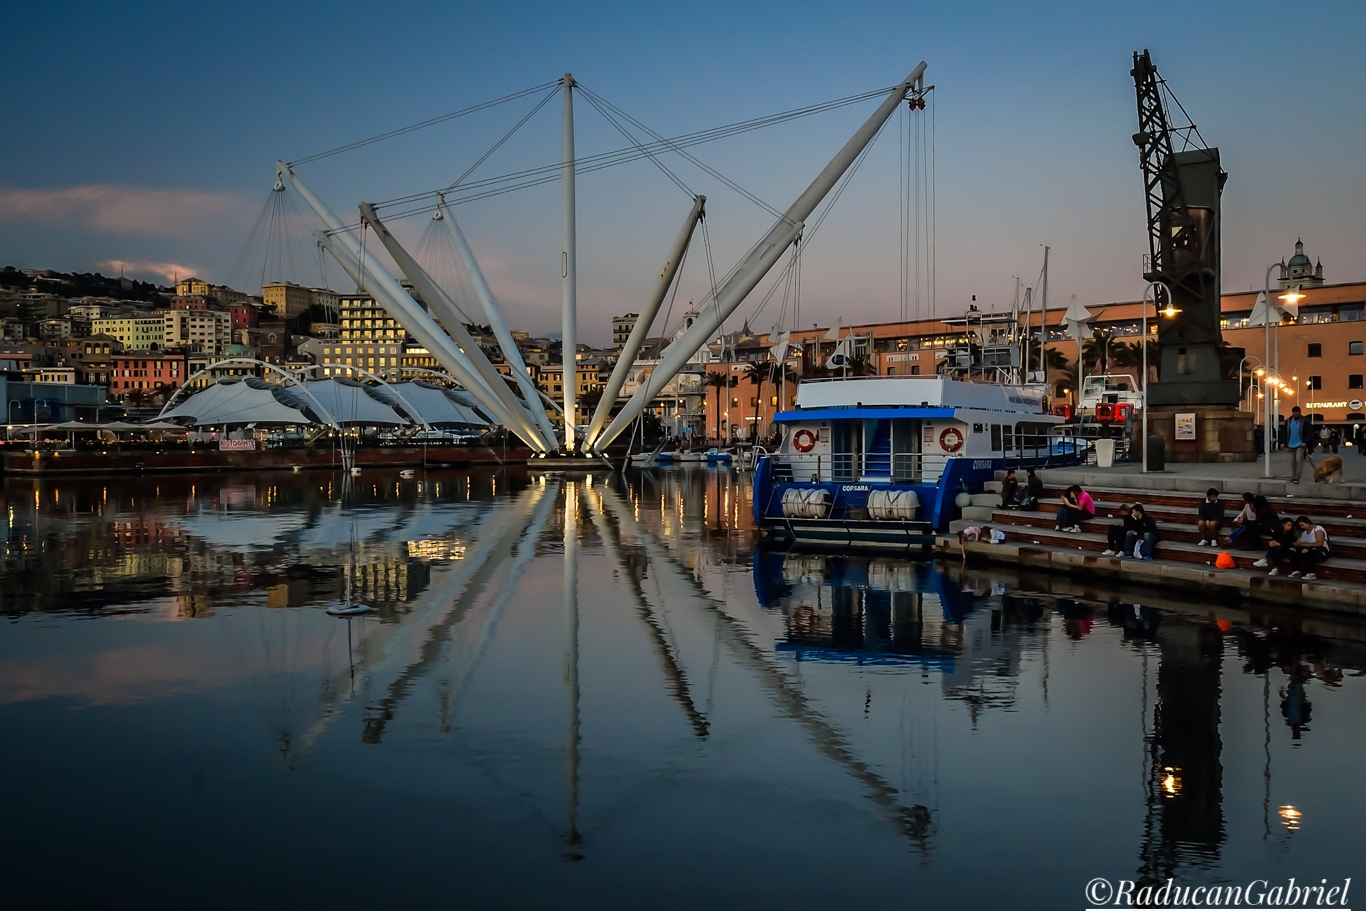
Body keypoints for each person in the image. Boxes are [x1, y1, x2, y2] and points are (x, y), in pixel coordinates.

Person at [1287, 515, 1330, 579]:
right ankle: (1296, 570)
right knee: (1292, 550)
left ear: (1307, 522)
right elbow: (1299, 543)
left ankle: (1311, 573)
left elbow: (1319, 543)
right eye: (1300, 526)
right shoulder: (1303, 533)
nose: (1302, 527)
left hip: (1321, 551)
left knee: (1308, 551)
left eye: (1302, 525)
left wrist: (1305, 545)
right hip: (1306, 550)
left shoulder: (1318, 529)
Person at [1286, 407, 1310, 484]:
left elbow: (1309, 432)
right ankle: (1293, 475)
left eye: (1297, 413)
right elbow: (1284, 432)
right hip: (1291, 443)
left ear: (1300, 412)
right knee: (1293, 461)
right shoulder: (1288, 421)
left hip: (1300, 444)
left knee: (1299, 459)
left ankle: (1297, 476)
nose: (1295, 415)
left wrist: (1305, 442)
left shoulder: (1305, 421)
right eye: (1294, 414)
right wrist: (1282, 442)